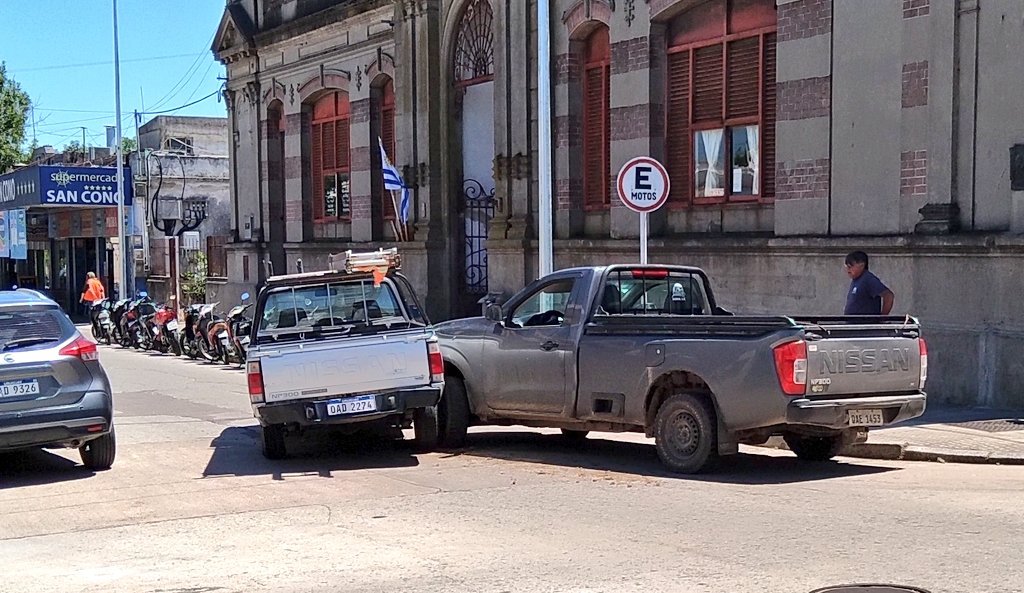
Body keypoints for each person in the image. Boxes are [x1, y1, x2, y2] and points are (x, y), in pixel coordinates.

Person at [843, 251, 894, 315]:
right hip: (853, 323)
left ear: (861, 265)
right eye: (846, 267)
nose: (848, 270)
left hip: (864, 322)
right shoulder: (856, 280)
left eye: (850, 266)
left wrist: (882, 317)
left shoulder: (868, 279)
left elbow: (888, 296)